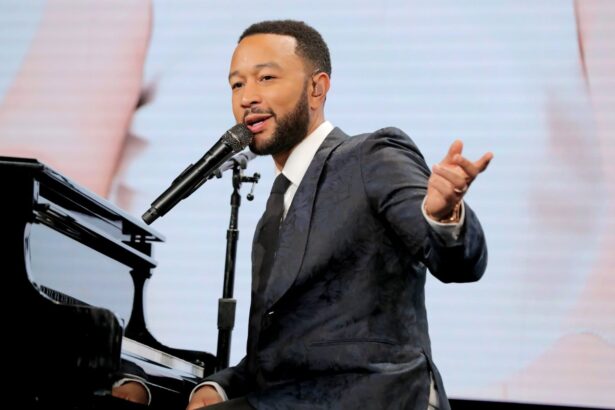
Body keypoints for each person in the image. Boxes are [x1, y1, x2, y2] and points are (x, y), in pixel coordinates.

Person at [186, 19, 492, 410]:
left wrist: (444, 216)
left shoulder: (371, 156)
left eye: (266, 78)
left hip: (377, 396)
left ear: (317, 88)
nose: (247, 97)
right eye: (236, 84)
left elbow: (458, 264)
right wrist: (219, 386)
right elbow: (276, 357)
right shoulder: (271, 215)